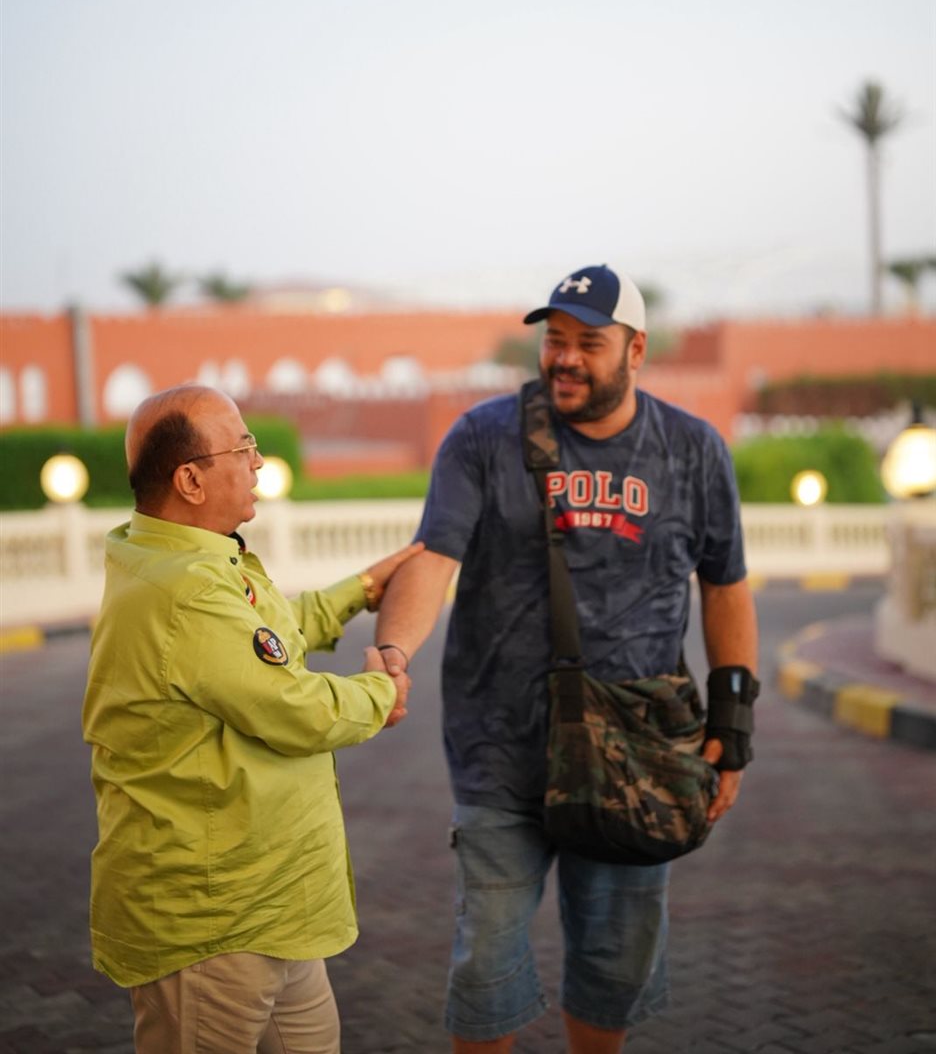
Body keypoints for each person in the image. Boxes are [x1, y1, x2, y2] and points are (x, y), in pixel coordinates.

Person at [375, 264, 759, 1054]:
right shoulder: (483, 437)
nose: (566, 358)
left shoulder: (692, 452)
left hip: (636, 754)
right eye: (555, 340)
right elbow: (433, 557)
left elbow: (725, 587)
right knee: (486, 963)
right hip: (500, 747)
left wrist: (734, 723)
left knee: (613, 965)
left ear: (636, 350)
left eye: (589, 341)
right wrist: (392, 651)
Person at [82, 384, 422, 1054]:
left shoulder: (194, 558)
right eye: (243, 448)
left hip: (270, 905)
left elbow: (273, 635)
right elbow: (291, 708)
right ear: (190, 479)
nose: (258, 462)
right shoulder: (183, 590)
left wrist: (362, 589)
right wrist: (380, 693)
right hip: (211, 922)